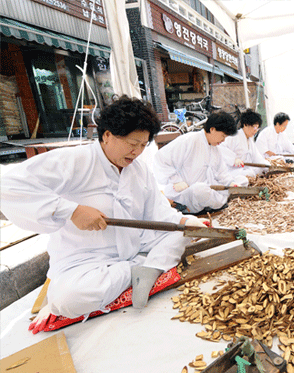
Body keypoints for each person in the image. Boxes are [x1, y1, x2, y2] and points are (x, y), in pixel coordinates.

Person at [1, 96, 208, 327]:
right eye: (132, 143)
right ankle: (145, 269)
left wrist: (183, 221)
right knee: (67, 299)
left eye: (143, 145)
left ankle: (146, 268)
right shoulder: (75, 160)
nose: (137, 152)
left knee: (179, 232)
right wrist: (71, 211)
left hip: (136, 246)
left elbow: (158, 213)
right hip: (86, 261)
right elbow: (7, 187)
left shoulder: (139, 170)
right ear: (107, 135)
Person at [153, 112, 248, 214]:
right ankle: (211, 204)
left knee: (242, 180)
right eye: (223, 136)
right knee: (200, 190)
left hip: (209, 188)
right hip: (187, 193)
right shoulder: (189, 140)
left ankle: (216, 202)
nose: (223, 140)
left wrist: (230, 183)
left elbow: (221, 173)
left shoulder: (215, 148)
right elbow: (161, 158)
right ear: (212, 129)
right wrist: (176, 181)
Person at [219, 109, 269, 178]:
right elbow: (221, 148)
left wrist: (268, 167)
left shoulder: (250, 140)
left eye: (257, 128)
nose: (255, 130)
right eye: (254, 127)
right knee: (249, 174)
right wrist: (234, 160)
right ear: (245, 125)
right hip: (232, 170)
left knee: (261, 169)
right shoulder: (234, 136)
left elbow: (257, 158)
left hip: (245, 169)